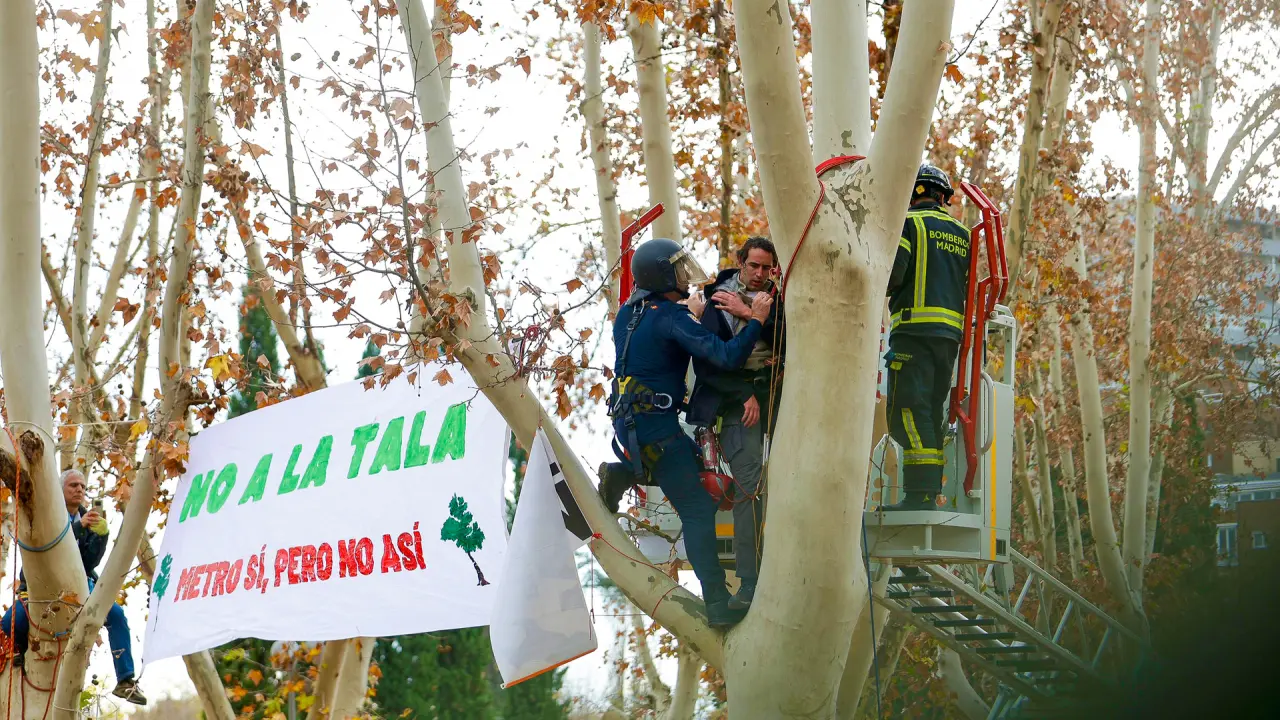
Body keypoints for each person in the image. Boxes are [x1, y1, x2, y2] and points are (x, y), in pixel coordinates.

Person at [597, 237, 773, 628]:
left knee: (691, 469)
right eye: (677, 270)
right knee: (698, 510)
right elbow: (727, 356)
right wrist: (756, 319)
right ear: (661, 275)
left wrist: (689, 316)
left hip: (629, 426)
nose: (684, 277)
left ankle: (624, 472)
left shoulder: (627, 314)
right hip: (657, 430)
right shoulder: (671, 318)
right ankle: (718, 604)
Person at [684, 236, 785, 611]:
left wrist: (751, 315)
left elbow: (792, 339)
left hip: (778, 396)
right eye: (753, 265)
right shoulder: (717, 298)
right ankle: (750, 582)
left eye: (766, 267)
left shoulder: (778, 298)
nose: (759, 273)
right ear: (741, 262)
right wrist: (743, 393)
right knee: (749, 484)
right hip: (735, 403)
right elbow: (708, 363)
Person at [2, 469, 148, 705]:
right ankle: (19, 652)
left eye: (82, 486)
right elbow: (50, 547)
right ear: (60, 490)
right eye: (73, 485)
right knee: (12, 620)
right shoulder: (47, 516)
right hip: (39, 587)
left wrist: (101, 537)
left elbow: (89, 563)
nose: (79, 489)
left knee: (117, 616)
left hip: (79, 587)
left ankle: (125, 680)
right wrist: (79, 527)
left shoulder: (87, 519)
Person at [880, 164, 973, 511]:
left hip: (913, 335)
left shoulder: (908, 223)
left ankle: (919, 495)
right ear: (943, 196)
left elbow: (893, 275)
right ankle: (925, 493)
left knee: (906, 410)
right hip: (949, 339)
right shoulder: (963, 234)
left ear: (913, 191)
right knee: (931, 411)